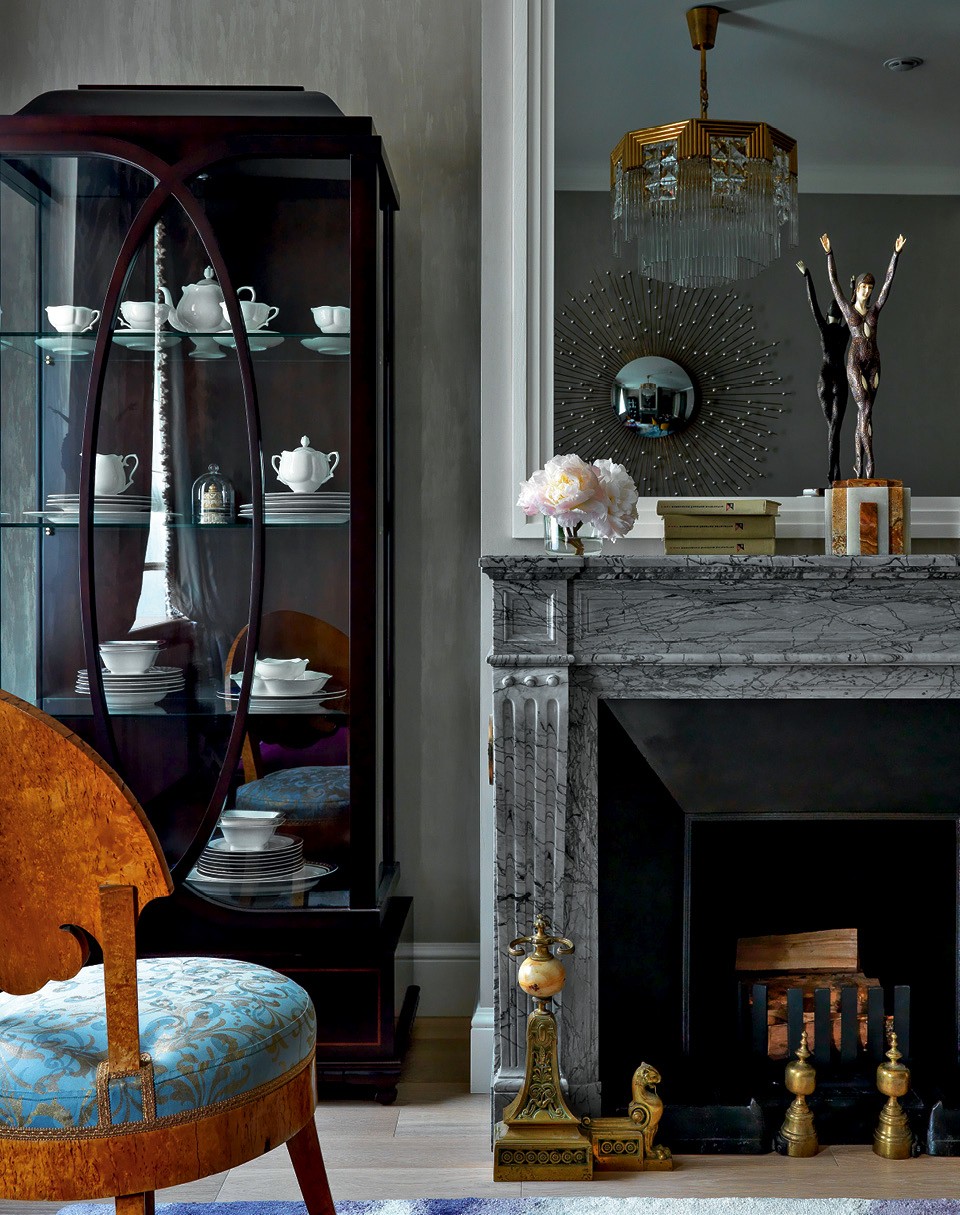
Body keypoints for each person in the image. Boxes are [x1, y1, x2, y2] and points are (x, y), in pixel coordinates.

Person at [820, 232, 906, 478]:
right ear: (856, 288)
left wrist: (895, 254)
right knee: (865, 409)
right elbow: (834, 282)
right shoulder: (847, 310)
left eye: (870, 287)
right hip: (855, 363)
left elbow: (888, 282)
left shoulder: (875, 310)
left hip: (874, 363)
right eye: (863, 287)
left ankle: (858, 463)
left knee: (866, 414)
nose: (867, 291)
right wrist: (829, 253)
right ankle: (870, 464)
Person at [796, 259, 851, 484]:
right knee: (834, 430)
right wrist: (852, 291)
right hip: (839, 378)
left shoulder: (823, 328)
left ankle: (833, 476)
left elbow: (813, 302)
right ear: (841, 318)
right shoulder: (845, 331)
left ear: (828, 317)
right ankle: (833, 476)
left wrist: (807, 275)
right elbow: (852, 310)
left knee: (832, 429)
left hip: (825, 378)